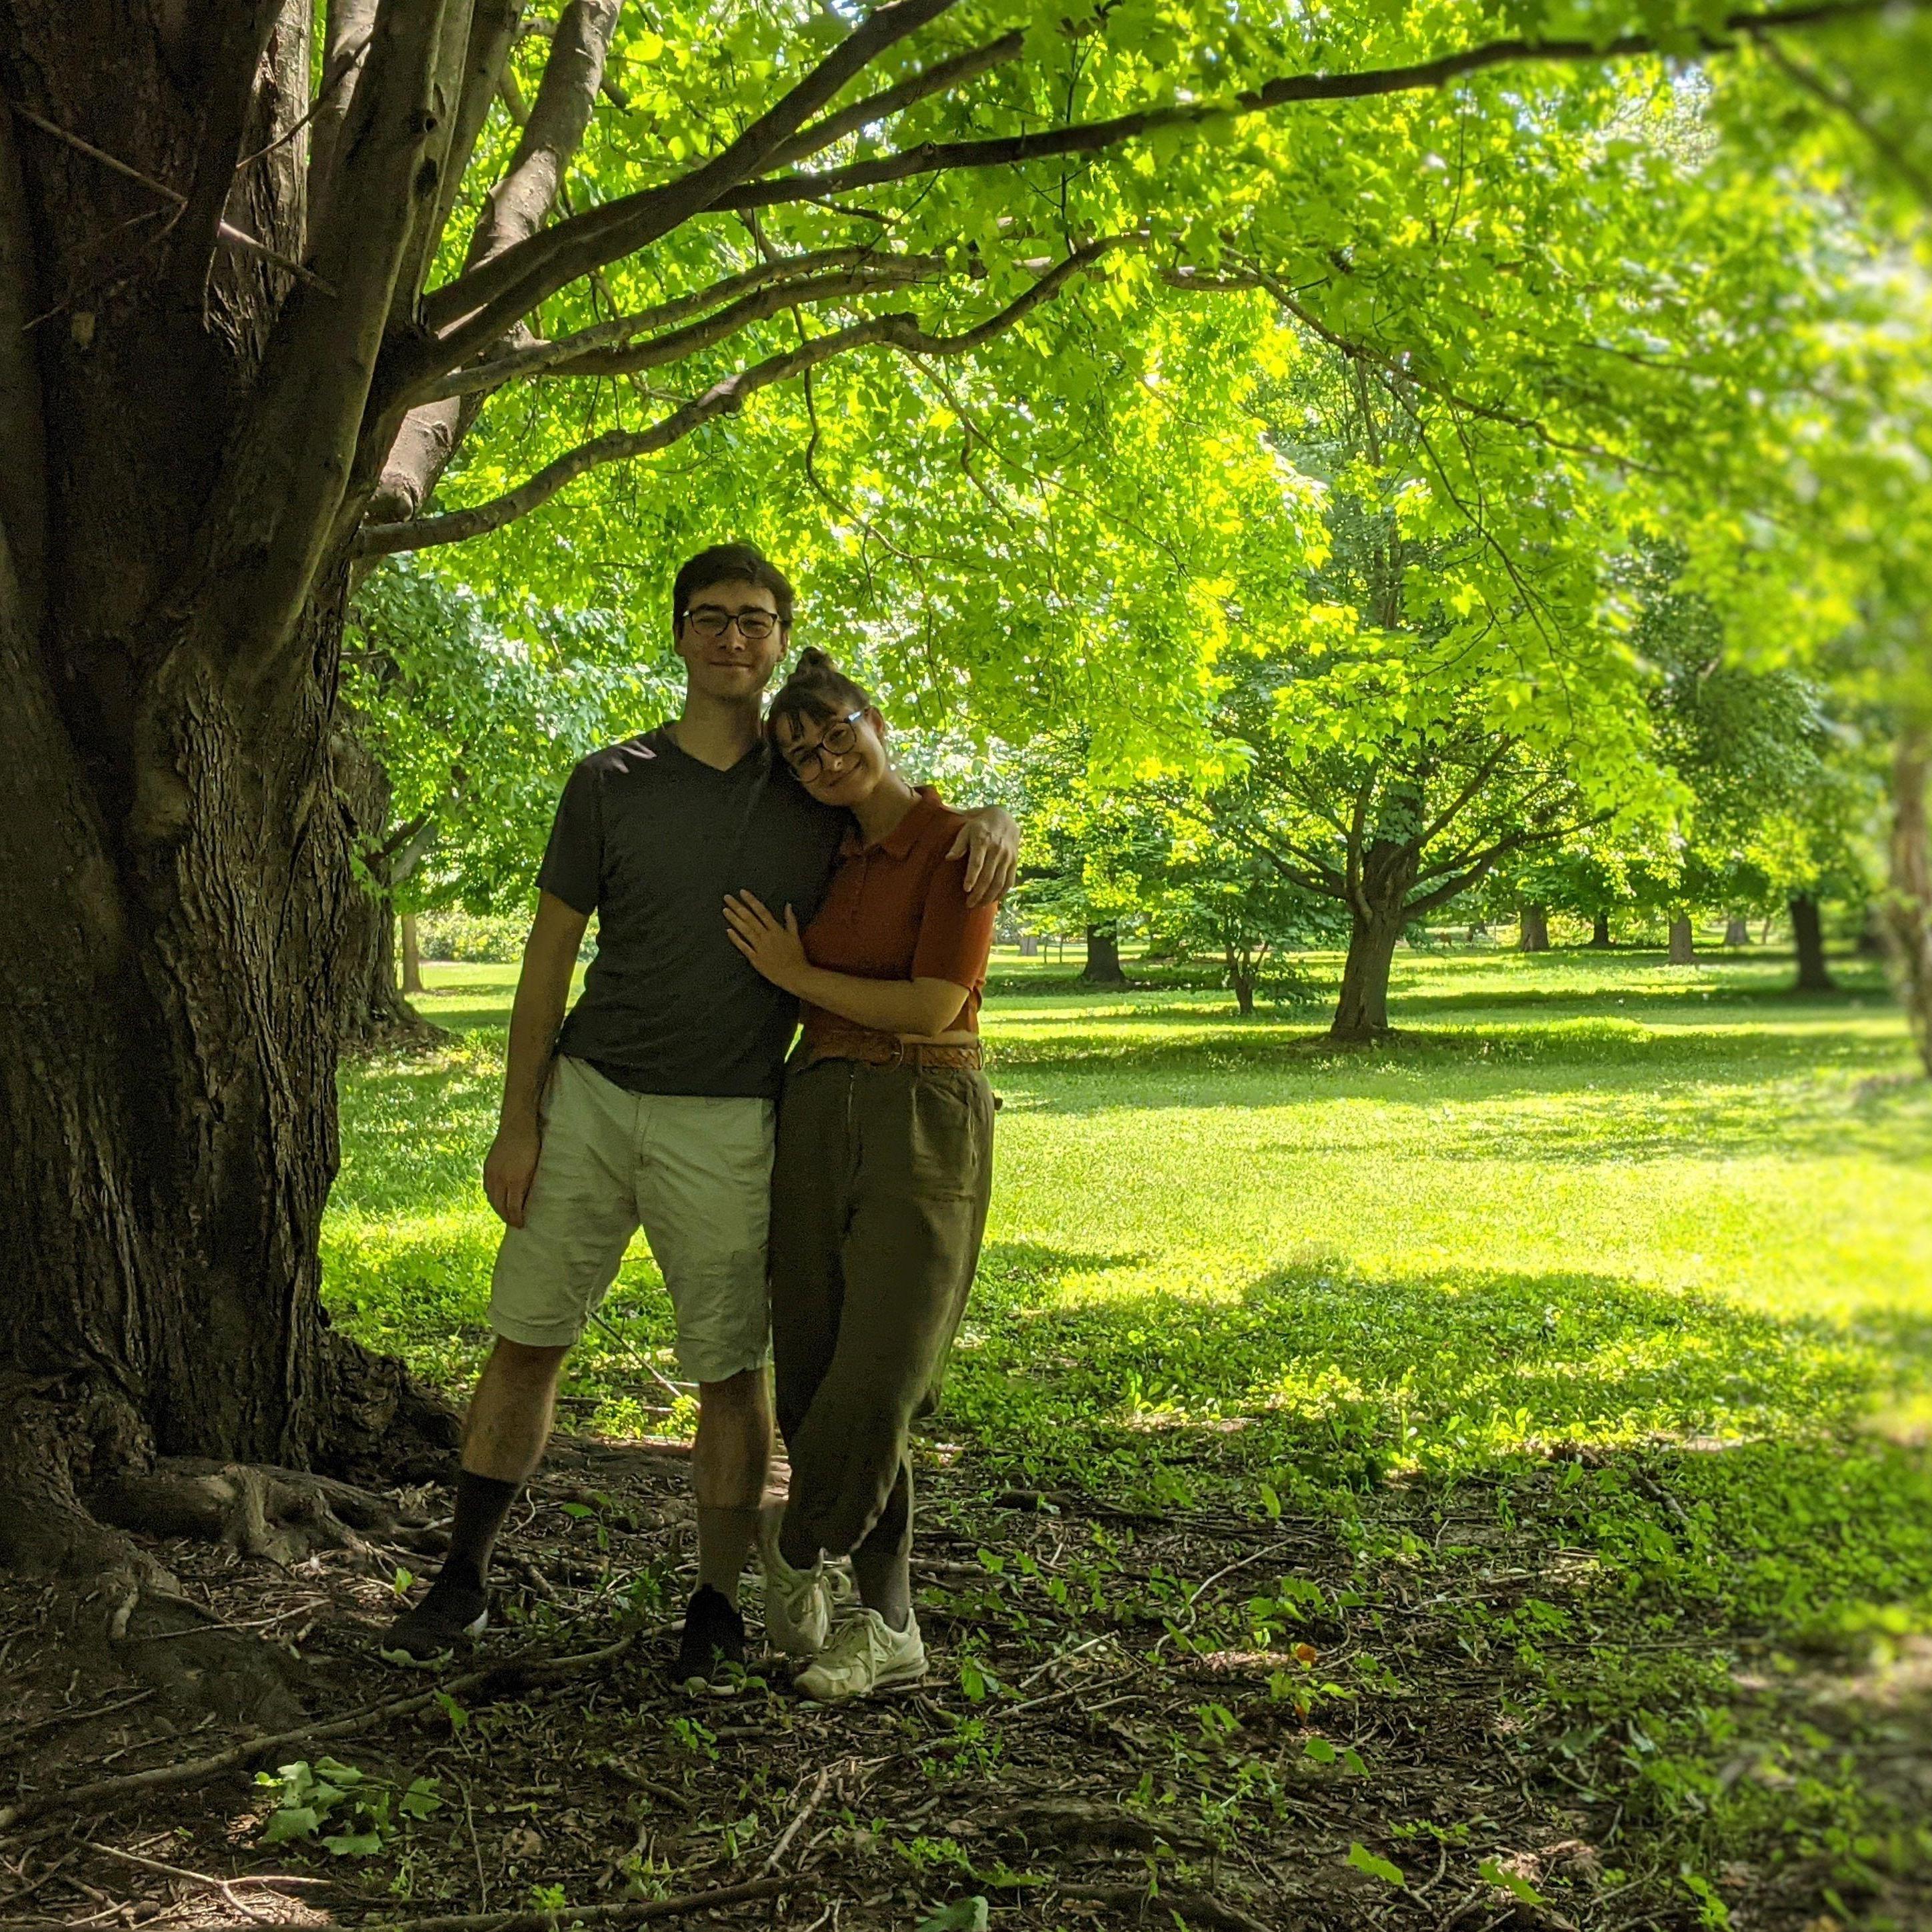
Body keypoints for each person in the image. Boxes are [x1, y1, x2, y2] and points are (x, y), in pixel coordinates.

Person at [382, 547, 1016, 1681]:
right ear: (679, 634)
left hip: (729, 1116)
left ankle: (717, 1601)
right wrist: (517, 1120)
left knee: (732, 1367)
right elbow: (545, 961)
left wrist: (997, 815)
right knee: (528, 1336)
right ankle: (462, 1576)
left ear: (781, 639)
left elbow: (906, 816)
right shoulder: (608, 781)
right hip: (592, 1094)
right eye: (711, 619)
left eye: (755, 621)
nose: (733, 639)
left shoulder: (811, 793)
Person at [721, 648, 998, 1701]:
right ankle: (888, 1625)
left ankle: (796, 1539)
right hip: (815, 1107)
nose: (826, 756)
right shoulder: (825, 854)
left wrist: (796, 975)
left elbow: (934, 1004)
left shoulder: (958, 842)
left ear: (875, 721)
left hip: (923, 1104)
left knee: (886, 1367)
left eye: (837, 730)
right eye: (800, 752)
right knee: (817, 1362)